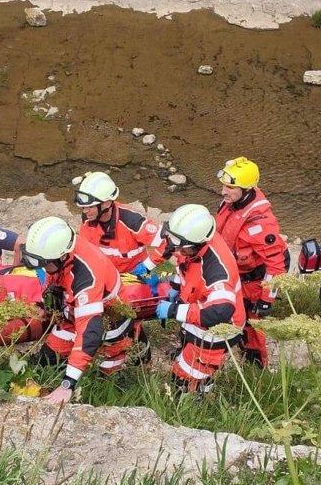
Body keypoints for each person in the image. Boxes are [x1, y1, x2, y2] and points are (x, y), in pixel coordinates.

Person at [22, 216, 132, 404]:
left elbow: (90, 331)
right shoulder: (60, 249)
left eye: (45, 263)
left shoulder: (86, 277)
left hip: (109, 317)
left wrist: (68, 384)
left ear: (62, 256)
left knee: (107, 377)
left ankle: (131, 348)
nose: (44, 268)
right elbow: (56, 277)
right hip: (73, 312)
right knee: (47, 358)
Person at [155, 204, 247, 393]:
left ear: (195, 246)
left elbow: (219, 312)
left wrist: (173, 311)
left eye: (180, 247)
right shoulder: (194, 244)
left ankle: (191, 402)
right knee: (188, 344)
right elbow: (187, 269)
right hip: (199, 308)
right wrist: (176, 286)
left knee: (186, 375)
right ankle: (200, 378)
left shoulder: (218, 272)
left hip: (218, 329)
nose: (176, 251)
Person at [213, 157, 287, 364]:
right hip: (232, 271)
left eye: (230, 187)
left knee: (252, 322)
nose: (223, 191)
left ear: (245, 190)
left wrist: (266, 299)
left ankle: (255, 361)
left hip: (252, 280)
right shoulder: (232, 202)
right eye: (224, 186)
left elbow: (276, 266)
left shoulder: (261, 224)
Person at [73, 171, 165, 277]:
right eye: (83, 207)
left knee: (149, 289)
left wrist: (147, 266)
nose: (85, 211)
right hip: (107, 273)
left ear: (106, 203)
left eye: (90, 207)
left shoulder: (132, 221)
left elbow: (167, 242)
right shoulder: (88, 218)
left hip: (136, 272)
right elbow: (86, 248)